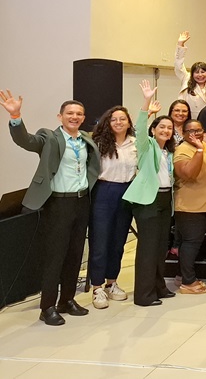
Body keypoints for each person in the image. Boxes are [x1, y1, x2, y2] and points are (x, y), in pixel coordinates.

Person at [3, 91, 99, 325]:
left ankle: (67, 300)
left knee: (75, 254)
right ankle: (47, 307)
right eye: (70, 113)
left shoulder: (86, 139)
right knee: (55, 256)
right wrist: (15, 116)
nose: (74, 117)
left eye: (79, 114)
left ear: (83, 118)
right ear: (60, 116)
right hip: (58, 203)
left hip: (81, 201)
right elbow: (25, 140)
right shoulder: (49, 137)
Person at [123, 81, 176, 307]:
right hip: (148, 201)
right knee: (147, 247)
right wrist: (146, 103)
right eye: (161, 127)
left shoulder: (168, 152)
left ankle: (159, 287)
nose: (166, 130)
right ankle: (144, 295)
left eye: (169, 128)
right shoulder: (147, 146)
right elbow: (140, 128)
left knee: (160, 246)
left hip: (165, 199)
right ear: (153, 130)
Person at [88, 106, 137, 309]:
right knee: (100, 240)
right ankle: (97, 286)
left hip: (126, 192)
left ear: (129, 122)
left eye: (122, 119)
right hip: (103, 191)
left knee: (118, 241)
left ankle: (111, 282)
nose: (118, 122)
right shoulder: (98, 143)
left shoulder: (135, 143)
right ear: (108, 122)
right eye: (114, 119)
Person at [172, 119, 206, 294]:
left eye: (198, 130)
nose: (195, 134)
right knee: (191, 244)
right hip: (190, 206)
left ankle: (181, 276)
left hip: (205, 204)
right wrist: (199, 150)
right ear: (183, 133)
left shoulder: (203, 145)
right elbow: (188, 174)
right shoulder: (183, 150)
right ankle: (188, 282)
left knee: (192, 243)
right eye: (191, 131)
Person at [173, 31, 206, 119]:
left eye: (203, 72)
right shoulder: (186, 78)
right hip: (189, 120)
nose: (200, 75)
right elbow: (178, 65)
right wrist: (180, 44)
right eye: (197, 72)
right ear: (192, 74)